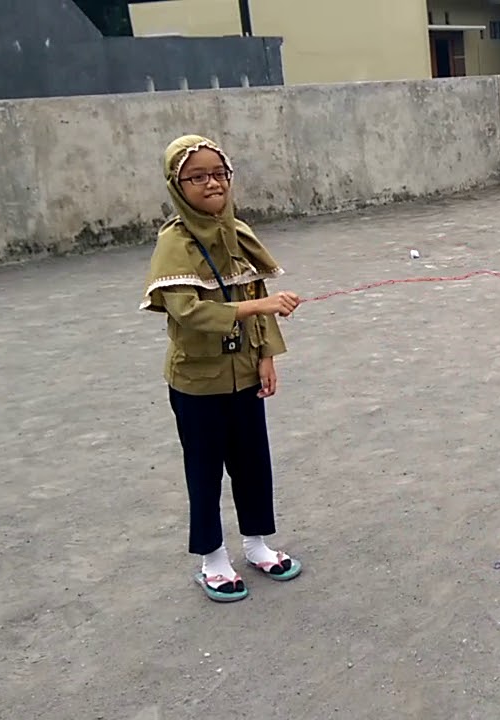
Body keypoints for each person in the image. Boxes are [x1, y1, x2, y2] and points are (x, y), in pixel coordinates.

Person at [140, 134, 304, 603]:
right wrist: (257, 310)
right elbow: (186, 311)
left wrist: (267, 355)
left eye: (219, 173)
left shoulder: (237, 232)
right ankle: (213, 558)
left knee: (253, 463)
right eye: (197, 176)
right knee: (205, 468)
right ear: (177, 184)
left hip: (245, 374)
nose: (212, 183)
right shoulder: (175, 242)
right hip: (197, 382)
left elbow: (256, 296)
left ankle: (256, 544)